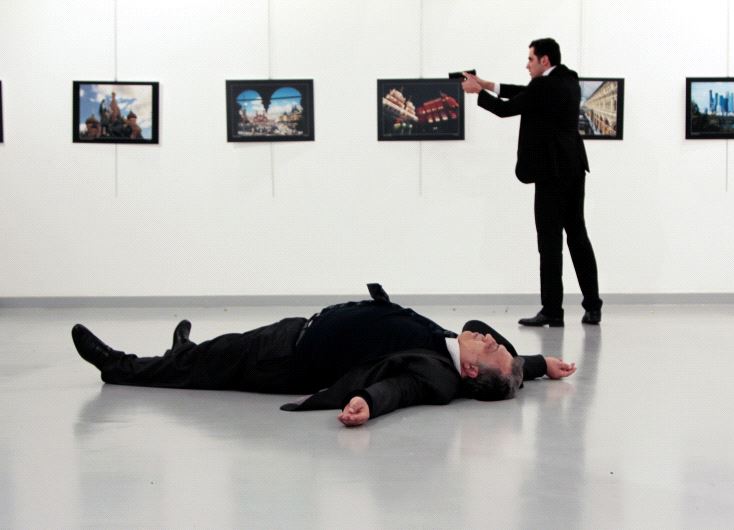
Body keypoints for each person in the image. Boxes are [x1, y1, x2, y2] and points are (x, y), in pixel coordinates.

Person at [72, 284, 577, 427]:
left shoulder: (438, 376)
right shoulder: (453, 349)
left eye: (491, 349)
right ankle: (185, 352)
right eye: (495, 342)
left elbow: (398, 389)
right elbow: (494, 351)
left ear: (469, 371)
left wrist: (367, 402)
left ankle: (119, 367)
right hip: (297, 332)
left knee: (206, 364)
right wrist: (535, 365)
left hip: (282, 359)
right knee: (215, 352)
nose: (489, 338)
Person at [462, 38, 602, 327]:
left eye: (530, 59)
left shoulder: (543, 86)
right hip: (573, 168)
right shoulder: (568, 80)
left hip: (550, 172)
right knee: (578, 237)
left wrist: (478, 92)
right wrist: (487, 84)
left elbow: (507, 109)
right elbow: (525, 93)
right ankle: (593, 307)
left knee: (549, 243)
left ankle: (552, 310)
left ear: (544, 60)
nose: (527, 65)